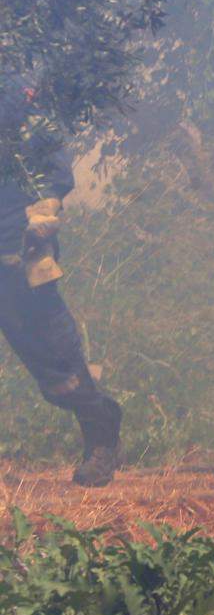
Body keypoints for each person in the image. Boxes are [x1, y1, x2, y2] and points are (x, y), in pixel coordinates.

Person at [0, 74, 122, 485]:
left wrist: (42, 215)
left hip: (21, 263)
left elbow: (56, 181)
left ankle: (101, 431)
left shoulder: (32, 125)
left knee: (57, 367)